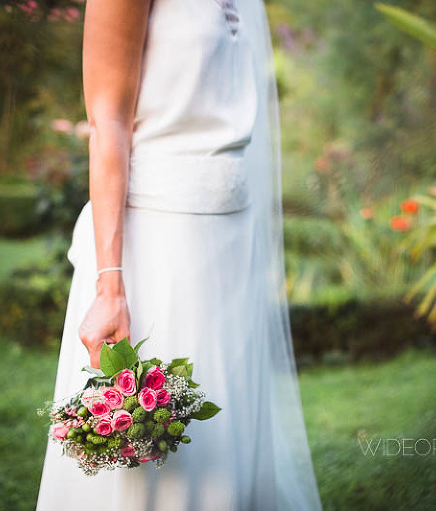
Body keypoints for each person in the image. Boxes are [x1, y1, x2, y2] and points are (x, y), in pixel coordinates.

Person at [35, 1, 322, 509]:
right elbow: (107, 123)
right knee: (156, 457)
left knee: (230, 436)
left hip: (232, 243)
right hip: (156, 244)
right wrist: (109, 286)